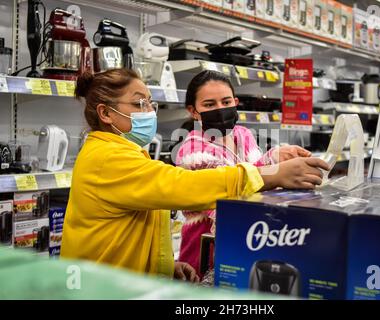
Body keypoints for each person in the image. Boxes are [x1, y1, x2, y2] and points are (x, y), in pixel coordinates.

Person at [60, 68, 330, 282]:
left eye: (150, 102)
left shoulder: (122, 152)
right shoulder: (108, 159)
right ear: (106, 113)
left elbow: (128, 234)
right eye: (140, 103)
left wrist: (163, 267)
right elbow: (185, 187)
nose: (150, 111)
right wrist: (272, 174)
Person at [175, 70, 319, 279]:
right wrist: (277, 172)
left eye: (226, 102)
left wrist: (278, 156)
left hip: (244, 246)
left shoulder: (243, 135)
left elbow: (256, 171)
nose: (220, 109)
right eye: (209, 105)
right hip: (204, 256)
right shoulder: (192, 151)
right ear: (193, 111)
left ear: (235, 102)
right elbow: (229, 196)